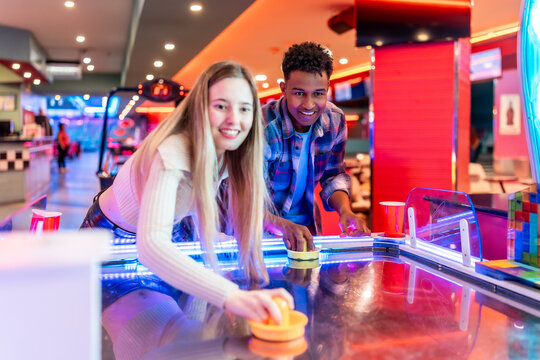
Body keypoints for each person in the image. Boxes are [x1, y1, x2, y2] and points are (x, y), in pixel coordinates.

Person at [81, 61, 292, 324]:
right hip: (113, 239)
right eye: (221, 106)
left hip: (171, 232)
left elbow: (194, 214)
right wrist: (232, 296)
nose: (234, 120)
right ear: (200, 108)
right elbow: (152, 247)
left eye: (244, 108)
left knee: (186, 328)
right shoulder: (173, 151)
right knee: (155, 338)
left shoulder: (229, 152)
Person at [263, 42, 370, 251]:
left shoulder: (335, 119)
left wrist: (345, 211)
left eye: (318, 94)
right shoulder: (262, 126)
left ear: (328, 89)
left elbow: (333, 175)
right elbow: (243, 199)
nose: (309, 105)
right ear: (283, 89)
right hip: (261, 235)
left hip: (307, 230)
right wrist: (284, 227)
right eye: (299, 93)